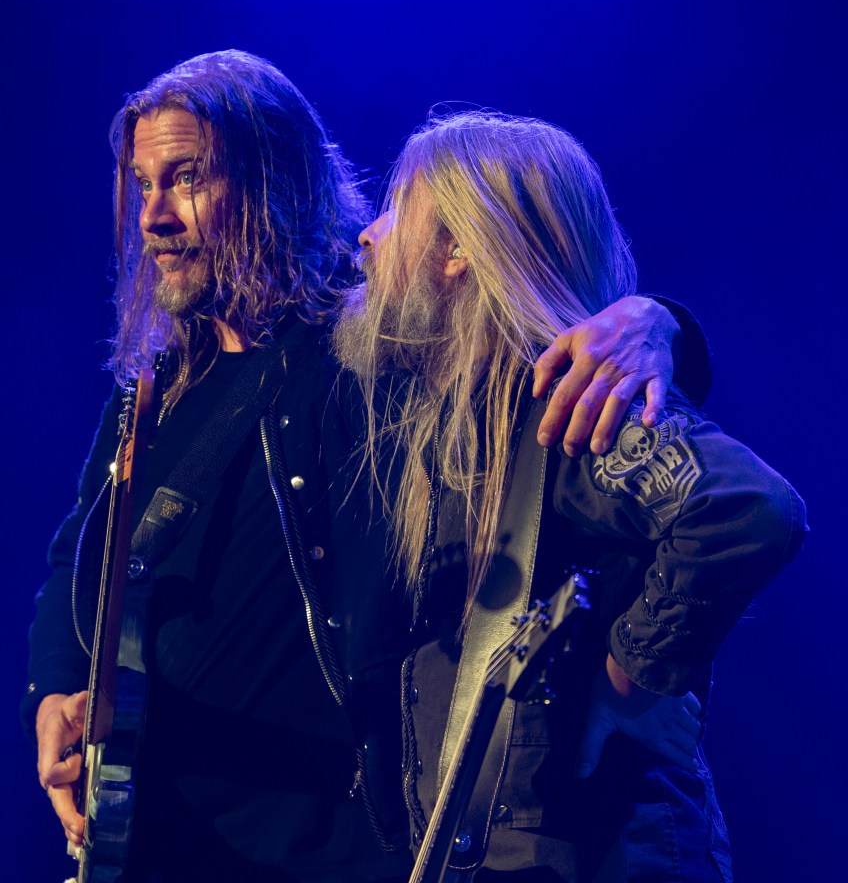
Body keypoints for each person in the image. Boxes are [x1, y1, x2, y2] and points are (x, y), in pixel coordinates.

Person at [23, 52, 702, 883]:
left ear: (275, 179)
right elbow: (78, 558)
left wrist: (661, 324)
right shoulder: (152, 396)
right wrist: (55, 687)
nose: (155, 216)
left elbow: (529, 325)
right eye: (143, 184)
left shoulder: (376, 340)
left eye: (188, 179)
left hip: (345, 847)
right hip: (169, 842)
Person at [334, 111, 808, 882]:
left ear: (458, 249)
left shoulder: (570, 402)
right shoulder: (459, 412)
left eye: (397, 208)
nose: (368, 233)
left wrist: (629, 681)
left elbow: (748, 509)